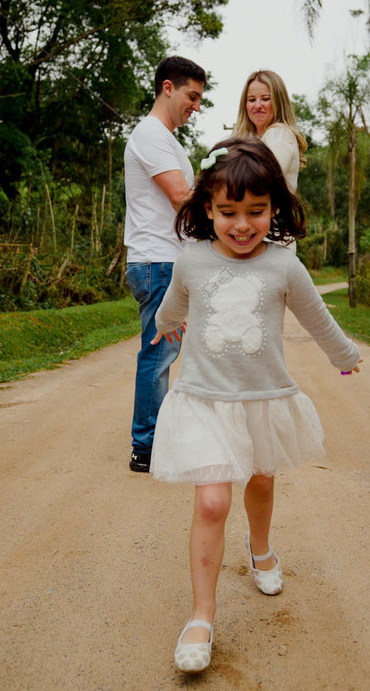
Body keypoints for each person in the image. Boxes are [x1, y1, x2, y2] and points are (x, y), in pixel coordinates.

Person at [148, 137, 362, 673]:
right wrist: (163, 329)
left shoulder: (283, 266)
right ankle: (201, 616)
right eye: (228, 212)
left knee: (262, 481)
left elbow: (317, 318)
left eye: (256, 212)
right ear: (206, 209)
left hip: (262, 399)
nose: (242, 225)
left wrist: (345, 355)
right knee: (213, 501)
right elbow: (173, 307)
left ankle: (261, 548)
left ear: (275, 207)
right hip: (204, 399)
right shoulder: (191, 260)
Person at [123, 55, 206, 473]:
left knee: (166, 351)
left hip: (167, 261)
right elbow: (179, 196)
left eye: (200, 99)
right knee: (157, 354)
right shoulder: (151, 134)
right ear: (167, 88)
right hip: (157, 262)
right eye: (192, 96)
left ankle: (156, 439)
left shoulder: (167, 140)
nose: (196, 106)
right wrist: (225, 199)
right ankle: (146, 447)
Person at [232, 69, 309, 196]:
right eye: (251, 100)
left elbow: (263, 180)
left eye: (265, 99)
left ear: (279, 102)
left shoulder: (280, 134)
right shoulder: (246, 137)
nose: (257, 106)